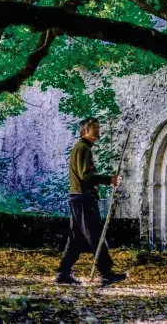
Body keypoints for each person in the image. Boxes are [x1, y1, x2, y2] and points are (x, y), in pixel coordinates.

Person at [55, 117, 127, 286]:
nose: (98, 130)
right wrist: (109, 179)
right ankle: (106, 273)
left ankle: (64, 272)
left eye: (98, 127)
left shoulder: (81, 148)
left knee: (76, 238)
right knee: (96, 234)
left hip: (77, 198)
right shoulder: (83, 149)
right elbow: (85, 176)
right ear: (85, 131)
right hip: (83, 198)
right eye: (94, 127)